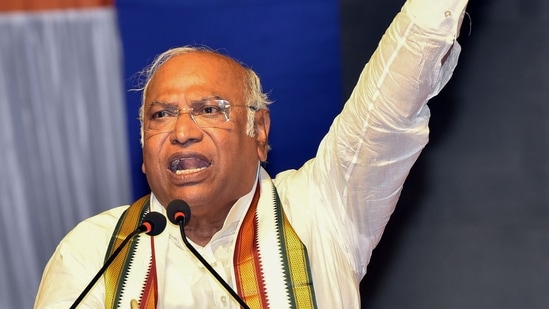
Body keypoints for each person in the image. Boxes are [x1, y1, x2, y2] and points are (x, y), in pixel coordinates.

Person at [34, 0, 469, 308]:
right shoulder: (95, 252)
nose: (182, 131)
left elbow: (392, 98)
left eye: (209, 110)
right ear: (143, 149)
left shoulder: (322, 209)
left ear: (258, 132)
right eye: (161, 115)